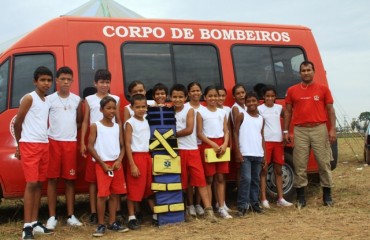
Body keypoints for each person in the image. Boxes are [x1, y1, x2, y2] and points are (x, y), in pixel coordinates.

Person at [284, 60, 336, 208]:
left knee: (323, 162)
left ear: (314, 71)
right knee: (300, 164)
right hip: (300, 130)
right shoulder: (292, 90)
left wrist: (332, 129)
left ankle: (327, 195)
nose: (306, 73)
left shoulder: (323, 89)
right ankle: (301, 197)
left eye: (308, 70)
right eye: (303, 70)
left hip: (319, 128)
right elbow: (288, 111)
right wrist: (286, 131)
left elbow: (330, 109)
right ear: (299, 73)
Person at [14, 66, 54, 239]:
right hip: (29, 145)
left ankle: (35, 222)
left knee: (39, 184)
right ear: (35, 81)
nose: (46, 83)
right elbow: (17, 122)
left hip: (44, 144)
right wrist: (19, 145)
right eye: (43, 80)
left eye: (49, 80)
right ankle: (26, 228)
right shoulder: (29, 98)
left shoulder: (46, 101)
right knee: (31, 184)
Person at [170, 84, 218, 222]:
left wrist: (168, 135)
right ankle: (185, 211)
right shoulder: (169, 111)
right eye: (174, 97)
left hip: (192, 150)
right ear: (170, 97)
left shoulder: (190, 110)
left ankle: (209, 210)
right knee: (182, 183)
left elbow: (189, 130)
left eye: (180, 97)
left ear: (186, 97)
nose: (177, 99)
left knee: (200, 181)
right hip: (177, 151)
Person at [80, 69, 121, 223]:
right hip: (94, 141)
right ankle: (93, 211)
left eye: (107, 82)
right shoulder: (89, 99)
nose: (105, 85)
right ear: (95, 83)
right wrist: (82, 142)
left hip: (110, 141)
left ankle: (116, 211)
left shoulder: (115, 98)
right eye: (102, 82)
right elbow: (85, 120)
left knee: (113, 177)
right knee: (93, 179)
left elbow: (118, 121)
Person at [46, 67, 83, 230]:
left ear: (72, 81)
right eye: (63, 79)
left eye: (69, 79)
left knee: (70, 181)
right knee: (52, 180)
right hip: (53, 143)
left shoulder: (77, 100)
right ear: (57, 80)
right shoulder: (49, 100)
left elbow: (80, 121)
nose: (66, 82)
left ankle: (70, 215)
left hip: (70, 143)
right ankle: (52, 216)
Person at [87, 96, 128, 237]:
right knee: (102, 195)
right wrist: (102, 163)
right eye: (108, 108)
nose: (112, 111)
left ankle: (112, 222)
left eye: (114, 108)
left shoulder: (117, 127)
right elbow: (90, 146)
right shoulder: (95, 126)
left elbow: (123, 147)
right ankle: (100, 224)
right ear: (101, 109)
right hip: (103, 165)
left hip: (116, 165)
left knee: (115, 195)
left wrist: (119, 160)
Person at [196, 86, 232, 219]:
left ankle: (221, 206)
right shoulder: (201, 112)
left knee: (221, 177)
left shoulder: (222, 112)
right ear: (205, 97)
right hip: (208, 144)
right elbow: (199, 133)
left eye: (215, 96)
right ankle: (209, 208)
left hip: (221, 144)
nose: (213, 98)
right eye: (210, 96)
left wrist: (224, 143)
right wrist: (212, 144)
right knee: (209, 178)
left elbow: (226, 130)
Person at [258, 85, 293, 208]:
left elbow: (288, 114)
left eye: (272, 96)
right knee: (264, 170)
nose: (270, 98)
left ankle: (280, 198)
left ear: (275, 97)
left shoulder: (279, 108)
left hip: (278, 142)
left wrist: (285, 132)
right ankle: (263, 199)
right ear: (263, 97)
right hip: (266, 142)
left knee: (278, 170)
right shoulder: (259, 109)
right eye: (267, 96)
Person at [124, 94, 156, 230]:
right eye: (137, 107)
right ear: (132, 108)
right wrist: (132, 164)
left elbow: (156, 102)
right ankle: (131, 217)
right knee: (134, 187)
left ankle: (155, 213)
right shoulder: (129, 123)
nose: (141, 109)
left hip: (146, 156)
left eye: (143, 107)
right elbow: (127, 143)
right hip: (136, 157)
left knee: (148, 187)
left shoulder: (146, 121)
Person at [233, 91, 265, 216]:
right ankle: (242, 206)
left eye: (253, 101)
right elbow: (235, 133)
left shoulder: (261, 118)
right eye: (248, 101)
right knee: (246, 179)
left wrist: (264, 155)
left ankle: (254, 203)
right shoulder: (241, 116)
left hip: (258, 153)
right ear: (245, 103)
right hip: (245, 153)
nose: (251, 103)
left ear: (258, 102)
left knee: (256, 180)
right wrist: (237, 151)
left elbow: (262, 136)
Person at [184, 82, 206, 217]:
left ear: (201, 92)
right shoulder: (185, 108)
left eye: (198, 90)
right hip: (189, 146)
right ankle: (190, 205)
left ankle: (198, 204)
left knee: (200, 179)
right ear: (188, 93)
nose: (195, 93)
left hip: (202, 146)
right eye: (193, 91)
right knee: (188, 180)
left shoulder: (204, 109)